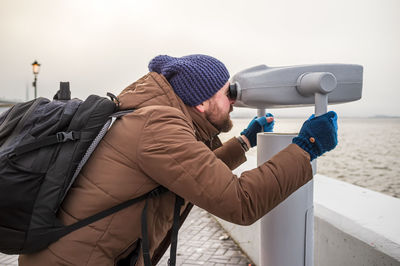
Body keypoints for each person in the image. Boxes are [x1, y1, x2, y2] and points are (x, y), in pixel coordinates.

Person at [19, 54, 337, 266]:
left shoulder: (150, 116)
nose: (232, 101)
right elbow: (240, 202)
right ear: (200, 102)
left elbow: (190, 172)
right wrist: (308, 146)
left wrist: (243, 141)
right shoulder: (158, 126)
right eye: (226, 93)